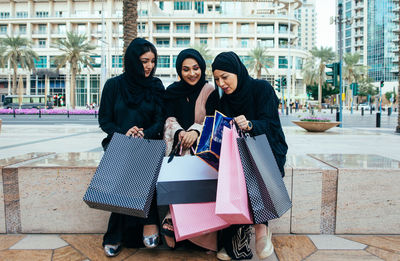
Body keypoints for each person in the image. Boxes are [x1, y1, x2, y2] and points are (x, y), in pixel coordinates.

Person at [211, 51, 288, 260]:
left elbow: (272, 125)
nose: (221, 83)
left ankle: (261, 229)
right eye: (217, 79)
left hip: (267, 149)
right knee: (234, 171)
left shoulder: (261, 89)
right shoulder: (222, 100)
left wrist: (250, 125)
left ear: (237, 71)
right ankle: (239, 238)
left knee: (247, 170)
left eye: (225, 77)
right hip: (235, 155)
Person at [98, 38, 165, 257]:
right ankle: (150, 222)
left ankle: (114, 235)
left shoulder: (155, 86)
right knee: (129, 160)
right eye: (145, 61)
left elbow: (160, 119)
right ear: (133, 61)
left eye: (153, 61)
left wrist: (143, 133)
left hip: (148, 141)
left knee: (140, 161)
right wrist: (125, 134)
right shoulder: (114, 85)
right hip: (119, 141)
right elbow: (105, 121)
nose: (149, 66)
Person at [162, 48, 219, 250]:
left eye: (196, 68)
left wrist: (195, 130)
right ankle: (174, 223)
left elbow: (213, 119)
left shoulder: (209, 90)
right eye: (186, 69)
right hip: (178, 148)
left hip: (202, 150)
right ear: (179, 70)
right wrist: (179, 134)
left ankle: (195, 230)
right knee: (182, 163)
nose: (192, 73)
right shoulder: (171, 91)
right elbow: (167, 118)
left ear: (202, 68)